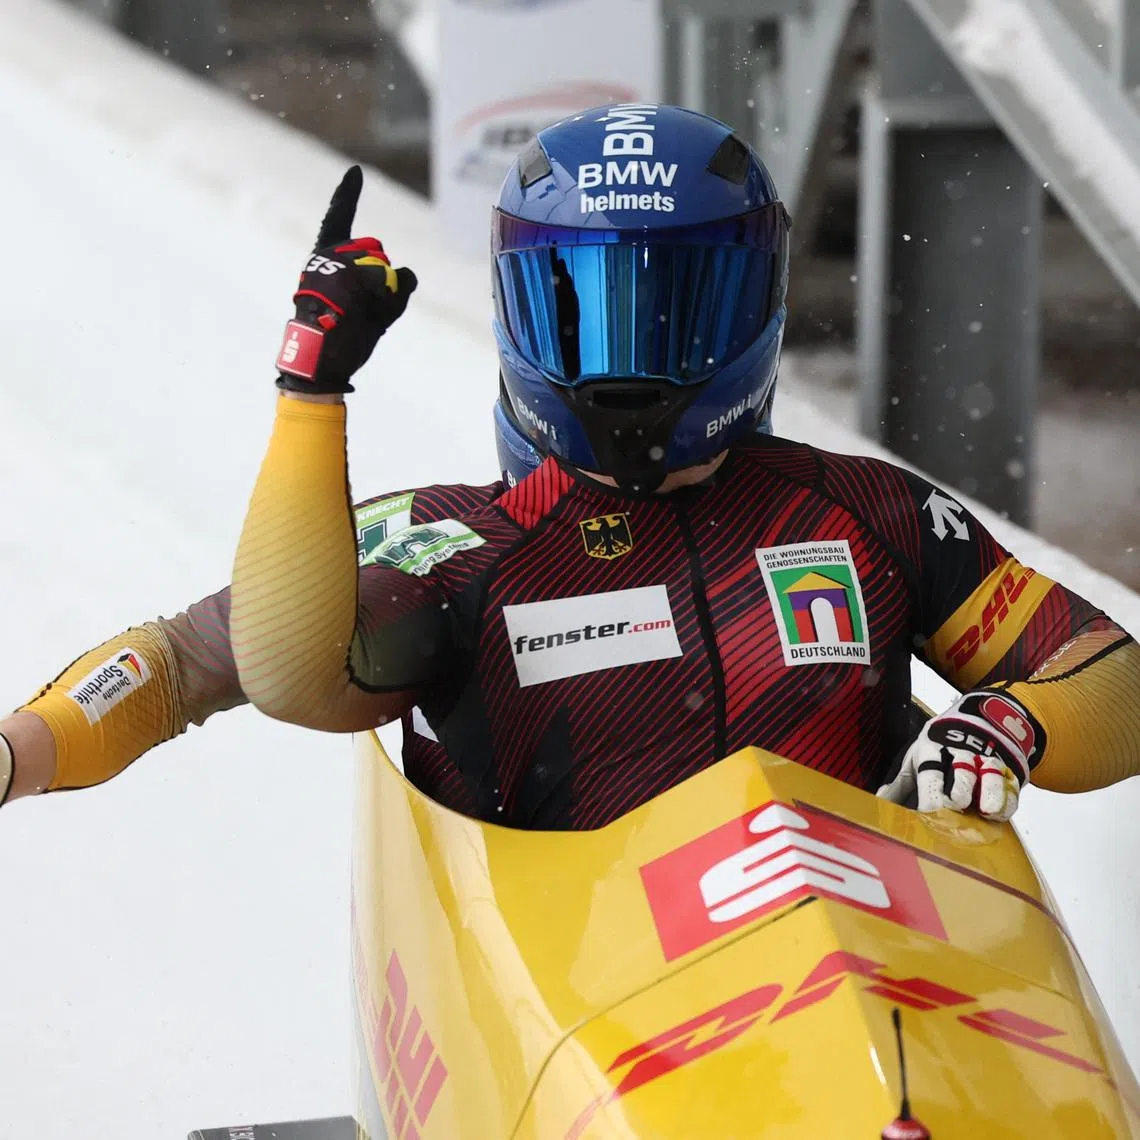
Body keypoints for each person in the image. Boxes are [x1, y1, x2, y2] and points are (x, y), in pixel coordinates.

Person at [2, 104, 1137, 830]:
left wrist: (1005, 725)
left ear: (758, 307)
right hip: (576, 1030)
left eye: (678, 311)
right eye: (586, 309)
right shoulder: (454, 552)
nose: (632, 360)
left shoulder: (869, 516)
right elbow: (209, 667)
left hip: (846, 997)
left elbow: (1108, 673)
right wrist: (15, 753)